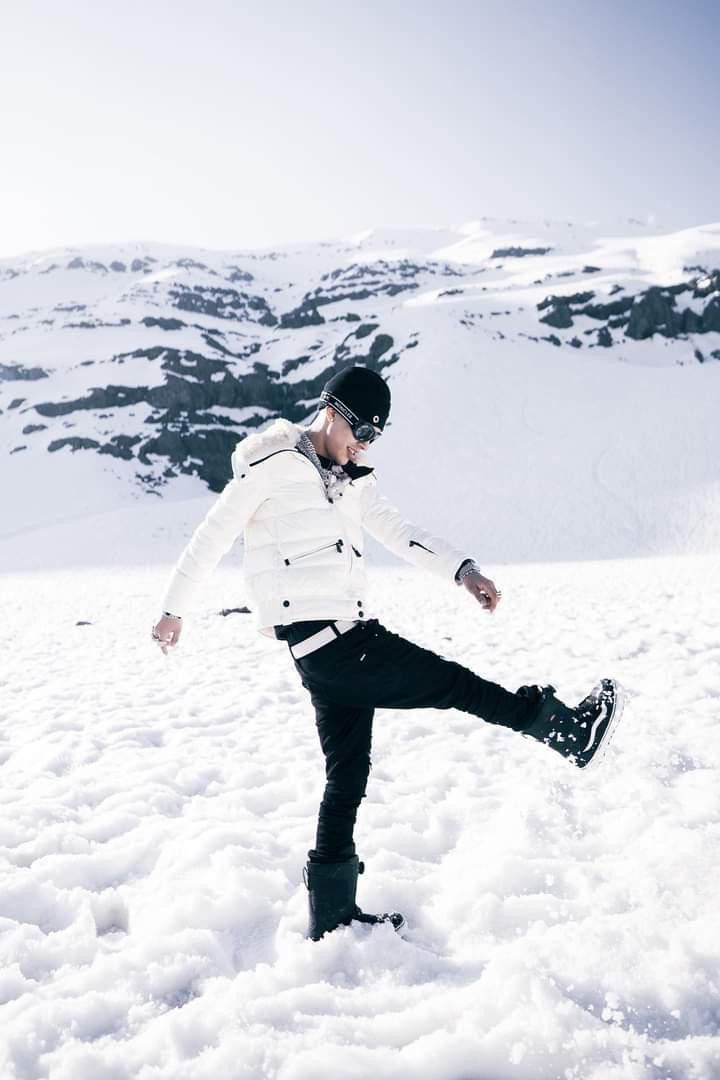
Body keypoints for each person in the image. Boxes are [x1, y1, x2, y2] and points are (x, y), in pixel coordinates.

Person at [152, 365, 623, 941]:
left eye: (376, 438)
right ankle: (565, 730)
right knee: (456, 685)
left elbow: (400, 532)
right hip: (336, 644)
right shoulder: (272, 465)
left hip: (328, 655)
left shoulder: (353, 483)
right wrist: (175, 608)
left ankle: (332, 917)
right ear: (334, 414)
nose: (365, 446)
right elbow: (213, 533)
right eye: (362, 433)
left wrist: (461, 569)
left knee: (346, 775)